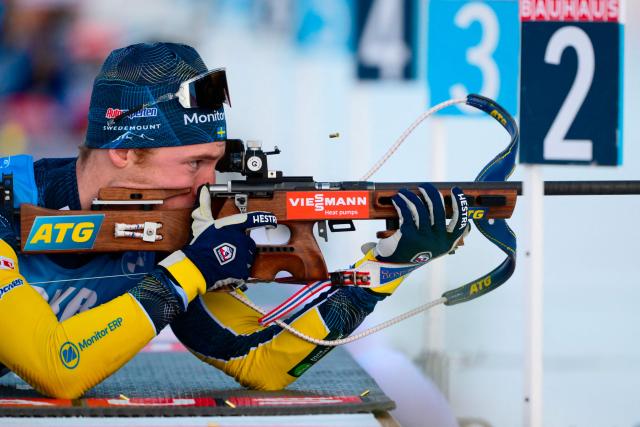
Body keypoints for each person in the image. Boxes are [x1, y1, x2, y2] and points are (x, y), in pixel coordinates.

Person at [0, 42, 469, 398]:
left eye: (216, 162)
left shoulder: (164, 230)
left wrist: (381, 273)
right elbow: (59, 368)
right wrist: (193, 270)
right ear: (123, 150)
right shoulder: (6, 206)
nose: (209, 183)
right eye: (193, 164)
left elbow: (259, 359)